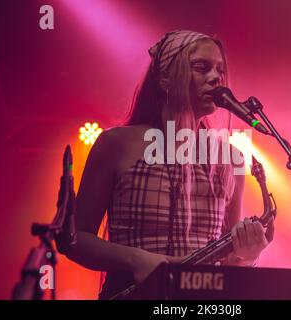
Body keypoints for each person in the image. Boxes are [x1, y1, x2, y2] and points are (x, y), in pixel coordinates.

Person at [66, 30, 273, 299]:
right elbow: (74, 238)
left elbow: (229, 261)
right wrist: (135, 259)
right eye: (201, 67)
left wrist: (247, 256)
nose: (216, 78)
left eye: (220, 71)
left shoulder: (230, 157)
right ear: (164, 78)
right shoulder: (116, 144)